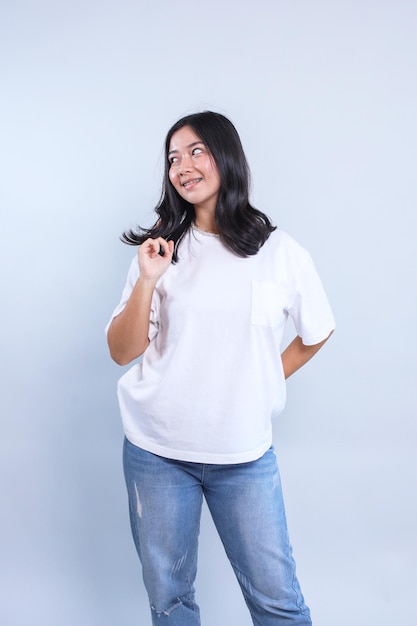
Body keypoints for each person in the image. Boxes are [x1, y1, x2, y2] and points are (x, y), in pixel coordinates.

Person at [106, 111, 335, 625]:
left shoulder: (278, 251)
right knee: (171, 603)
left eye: (195, 151)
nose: (182, 166)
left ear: (225, 156)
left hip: (243, 455)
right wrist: (147, 280)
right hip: (156, 452)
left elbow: (317, 329)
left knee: (279, 604)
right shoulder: (161, 251)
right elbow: (123, 352)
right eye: (172, 158)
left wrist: (263, 378)